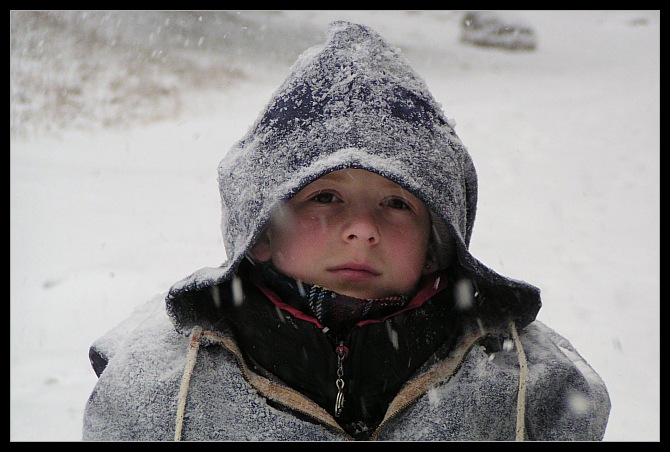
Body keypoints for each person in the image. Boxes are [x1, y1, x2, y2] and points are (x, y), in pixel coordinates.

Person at [83, 20, 611, 441]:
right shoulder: (162, 387)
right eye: (325, 197)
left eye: (397, 203)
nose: (361, 229)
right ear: (260, 230)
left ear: (436, 243)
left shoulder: (528, 385)